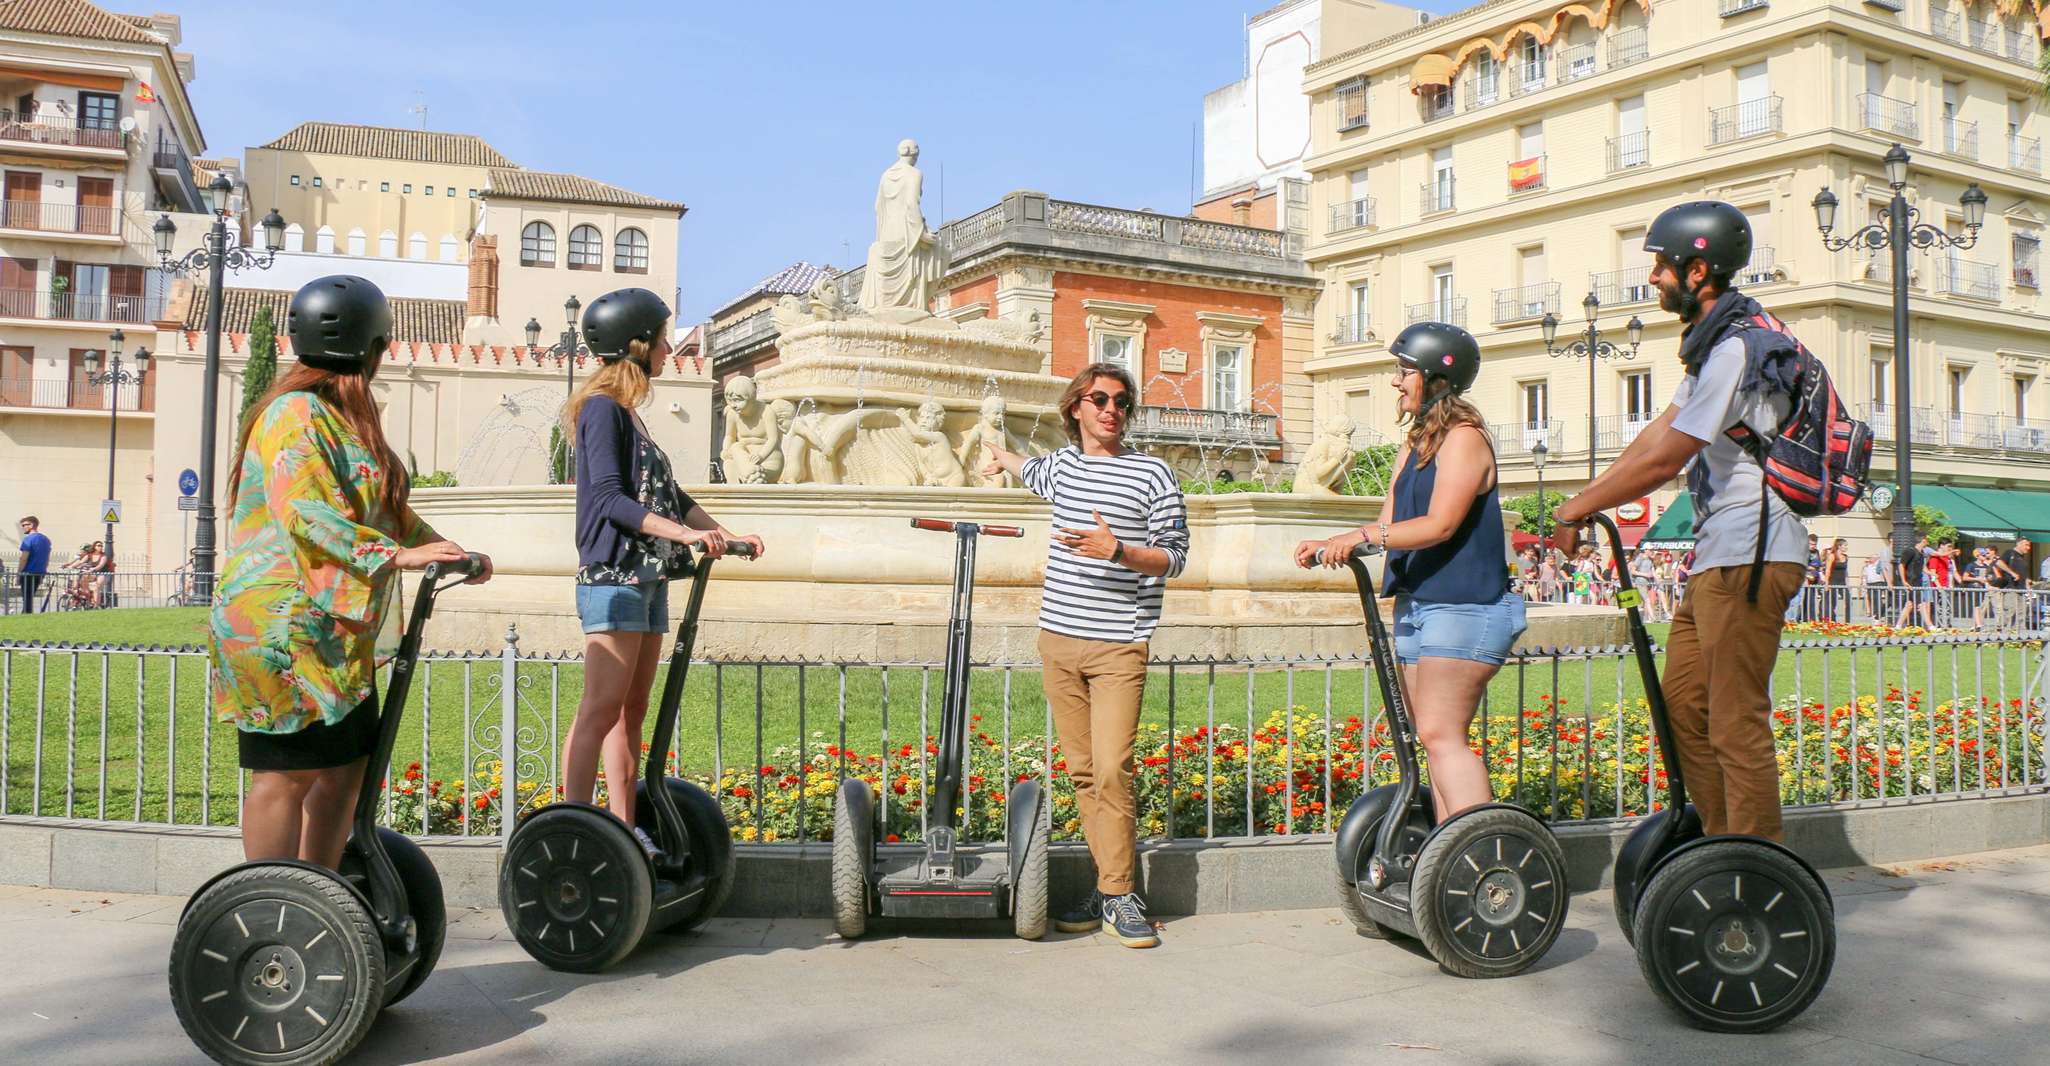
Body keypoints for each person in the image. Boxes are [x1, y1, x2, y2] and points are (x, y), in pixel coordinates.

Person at [211, 275, 492, 869]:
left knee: (345, 771)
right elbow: (307, 514)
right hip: (280, 629)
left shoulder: (341, 419)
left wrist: (443, 548)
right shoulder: (295, 413)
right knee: (287, 775)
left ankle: (321, 890)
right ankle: (272, 900)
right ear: (373, 347)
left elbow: (386, 509)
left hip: (335, 629)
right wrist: (397, 556)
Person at [1552, 201, 1807, 842]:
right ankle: (1720, 847)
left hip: (1754, 546)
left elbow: (1671, 455)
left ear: (1700, 270)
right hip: (1720, 552)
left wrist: (1581, 507)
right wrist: (1580, 497)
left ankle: (1754, 865)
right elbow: (1656, 434)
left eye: (1663, 265)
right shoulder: (1712, 349)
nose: (1655, 278)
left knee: (1733, 718)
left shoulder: (1740, 349)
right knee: (1684, 708)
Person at [982, 362, 1189, 950]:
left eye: (1122, 402)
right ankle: (1109, 886)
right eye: (1099, 398)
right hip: (1058, 639)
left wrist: (1117, 549)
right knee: (1080, 773)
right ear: (1076, 407)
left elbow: (1175, 557)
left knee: (1111, 770)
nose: (1111, 409)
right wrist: (1000, 456)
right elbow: (1032, 471)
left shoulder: (1153, 475)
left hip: (1118, 643)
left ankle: (1121, 894)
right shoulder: (1063, 466)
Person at [1297, 322, 1527, 835]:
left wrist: (1361, 536)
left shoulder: (1465, 440)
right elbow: (1392, 519)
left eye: (1405, 372)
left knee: (1443, 734)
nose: (1396, 382)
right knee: (1432, 737)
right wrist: (1333, 541)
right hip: (1420, 604)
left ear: (1437, 380)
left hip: (1466, 605)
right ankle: (1448, 860)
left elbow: (1439, 524)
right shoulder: (1417, 441)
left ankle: (1480, 856)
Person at [563, 287, 764, 857]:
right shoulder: (601, 410)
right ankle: (576, 827)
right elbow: (607, 499)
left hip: (646, 579)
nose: (668, 346)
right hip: (613, 576)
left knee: (631, 711)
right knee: (600, 709)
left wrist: (723, 533)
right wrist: (685, 535)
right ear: (637, 343)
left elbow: (670, 496)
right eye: (661, 336)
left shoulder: (628, 415)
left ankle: (626, 833)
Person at [1895, 534, 1933, 629]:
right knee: (1921, 604)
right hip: (1910, 581)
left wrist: (1932, 574)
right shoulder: (1910, 551)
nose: (1928, 542)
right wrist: (1904, 581)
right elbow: (1901, 565)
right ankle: (1930, 626)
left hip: (1917, 582)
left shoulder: (1921, 553)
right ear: (1923, 541)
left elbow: (1922, 567)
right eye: (1927, 540)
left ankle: (1898, 626)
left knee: (1909, 605)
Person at [15, 516, 50, 613]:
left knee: (27, 598)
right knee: (29, 597)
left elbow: (23, 558)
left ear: (31, 525)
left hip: (28, 573)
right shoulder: (46, 539)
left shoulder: (28, 539)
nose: (23, 527)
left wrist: (18, 574)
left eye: (24, 525)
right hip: (40, 572)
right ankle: (26, 615)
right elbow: (47, 558)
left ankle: (26, 615)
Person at [1862, 551, 1889, 622]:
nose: (1870, 559)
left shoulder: (1879, 565)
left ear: (1876, 558)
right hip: (1870, 584)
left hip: (1878, 583)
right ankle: (1875, 613)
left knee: (1877, 599)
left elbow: (1885, 572)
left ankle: (1879, 614)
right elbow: (1865, 576)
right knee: (1872, 599)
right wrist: (1864, 584)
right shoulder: (1868, 566)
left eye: (1871, 557)